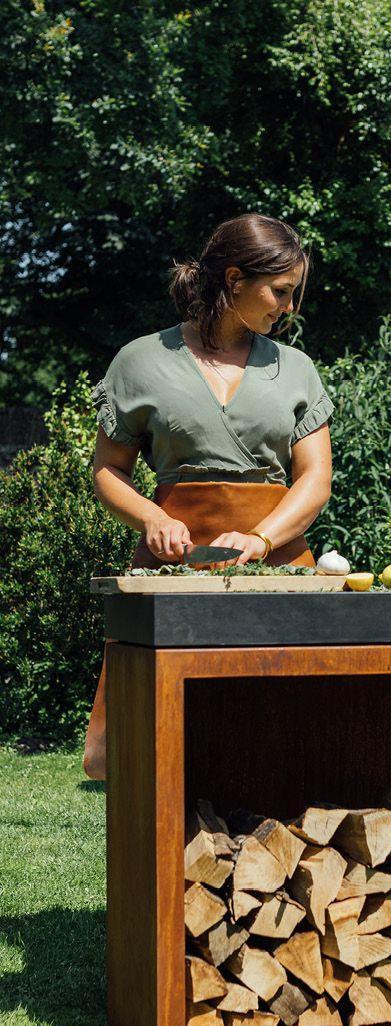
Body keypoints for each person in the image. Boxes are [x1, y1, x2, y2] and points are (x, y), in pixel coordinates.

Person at [84, 213, 333, 779]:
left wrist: (260, 536)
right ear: (235, 278)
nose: (288, 309)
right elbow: (106, 470)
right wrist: (151, 517)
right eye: (280, 292)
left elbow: (315, 480)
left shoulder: (297, 370)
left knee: (290, 734)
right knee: (166, 738)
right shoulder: (141, 361)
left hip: (280, 563)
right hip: (175, 565)